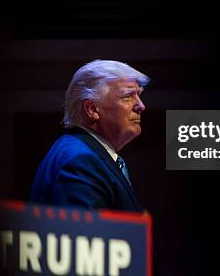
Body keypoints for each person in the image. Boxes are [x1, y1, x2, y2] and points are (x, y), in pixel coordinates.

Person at [30, 59, 149, 211]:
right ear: (92, 109)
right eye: (127, 96)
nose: (141, 106)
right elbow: (83, 233)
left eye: (138, 95)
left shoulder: (82, 153)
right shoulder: (81, 162)